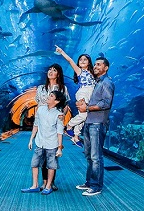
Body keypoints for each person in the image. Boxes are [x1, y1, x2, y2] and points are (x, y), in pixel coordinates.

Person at [75, 56, 114, 197]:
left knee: (96, 156)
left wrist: (87, 108)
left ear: (106, 67)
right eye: (95, 64)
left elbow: (106, 103)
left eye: (99, 64)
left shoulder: (107, 83)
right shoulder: (97, 82)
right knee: (88, 155)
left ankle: (96, 186)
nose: (95, 66)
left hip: (98, 123)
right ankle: (89, 182)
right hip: (89, 122)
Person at [20, 90, 66, 195]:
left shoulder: (58, 115)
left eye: (51, 96)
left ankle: (48, 186)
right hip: (39, 142)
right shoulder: (40, 110)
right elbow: (36, 124)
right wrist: (31, 139)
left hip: (52, 144)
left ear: (57, 101)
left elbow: (59, 132)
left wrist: (59, 148)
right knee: (34, 164)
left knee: (51, 165)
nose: (48, 97)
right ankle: (34, 185)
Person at [34, 63, 70, 191]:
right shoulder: (41, 88)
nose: (50, 71)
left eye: (54, 70)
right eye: (49, 69)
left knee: (52, 154)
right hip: (43, 123)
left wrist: (62, 115)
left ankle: (51, 182)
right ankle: (44, 182)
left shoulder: (63, 88)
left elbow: (65, 106)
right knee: (41, 154)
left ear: (58, 73)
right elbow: (38, 104)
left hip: (55, 124)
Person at [55, 45, 95, 147]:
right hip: (83, 92)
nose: (82, 61)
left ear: (89, 62)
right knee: (84, 115)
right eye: (80, 59)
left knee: (86, 116)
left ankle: (76, 136)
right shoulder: (79, 71)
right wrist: (62, 51)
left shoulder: (93, 72)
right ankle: (69, 126)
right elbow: (70, 60)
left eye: (85, 59)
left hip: (91, 94)